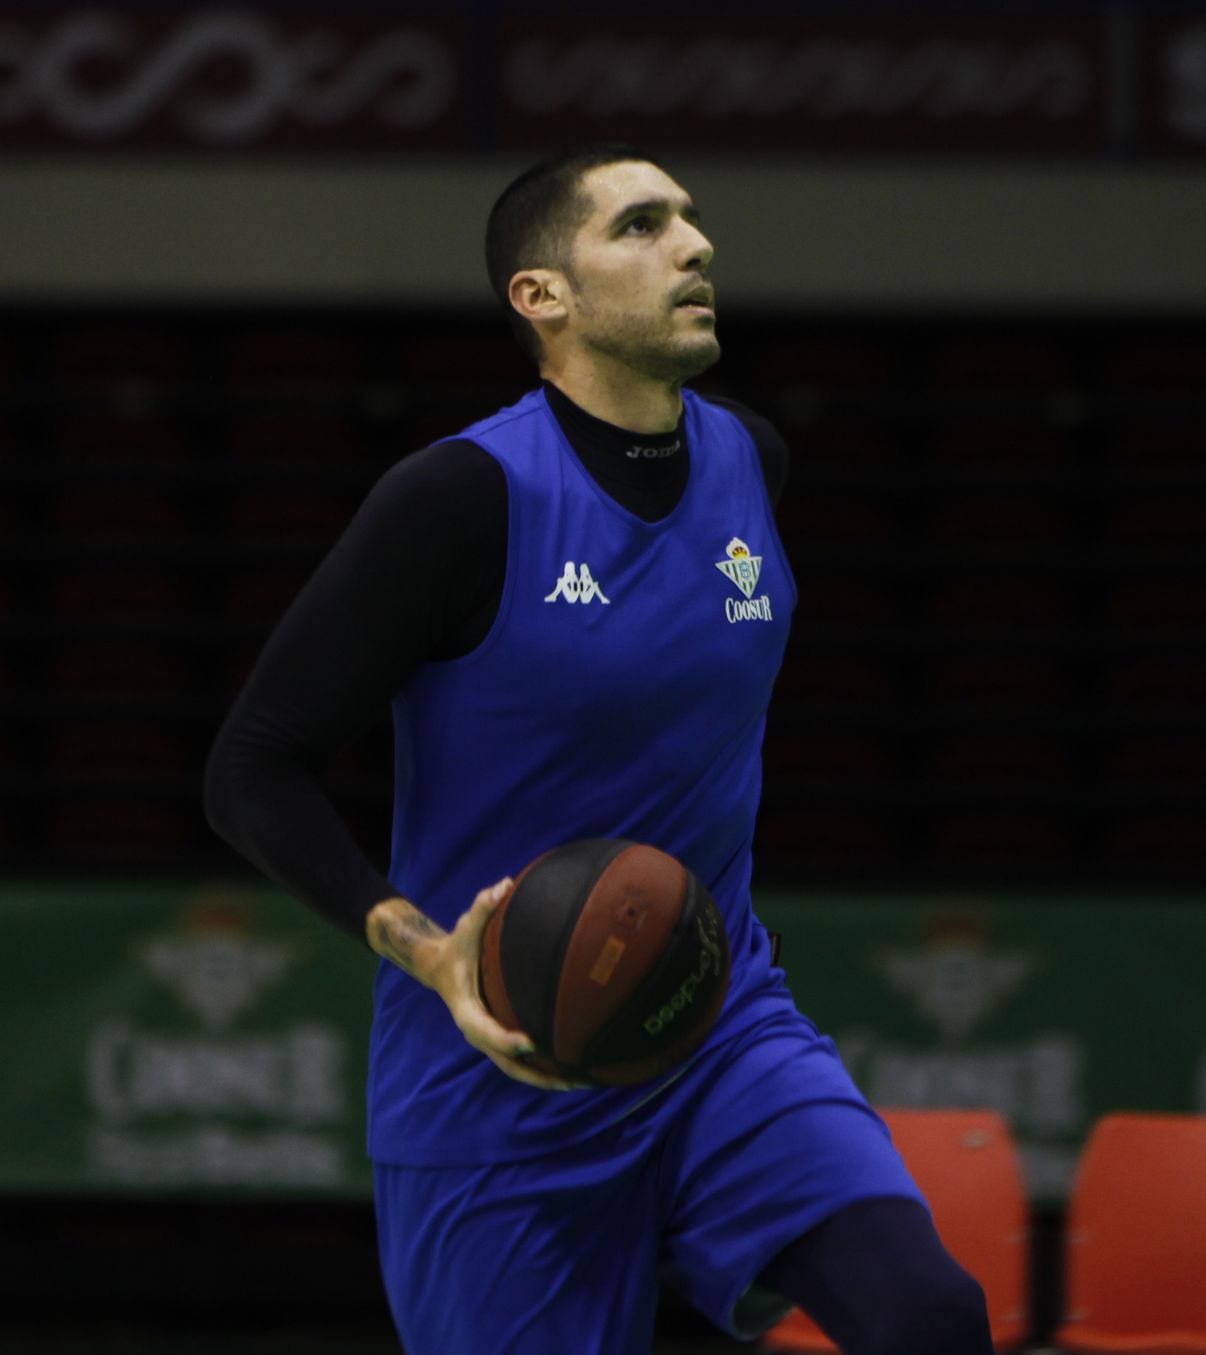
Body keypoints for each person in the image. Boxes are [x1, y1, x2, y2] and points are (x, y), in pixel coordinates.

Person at [204, 143, 995, 1355]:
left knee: (927, 1315)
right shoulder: (457, 499)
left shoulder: (753, 459)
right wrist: (425, 950)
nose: (695, 243)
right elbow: (252, 763)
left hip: (713, 1016)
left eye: (689, 217)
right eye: (639, 224)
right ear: (542, 296)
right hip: (499, 1060)